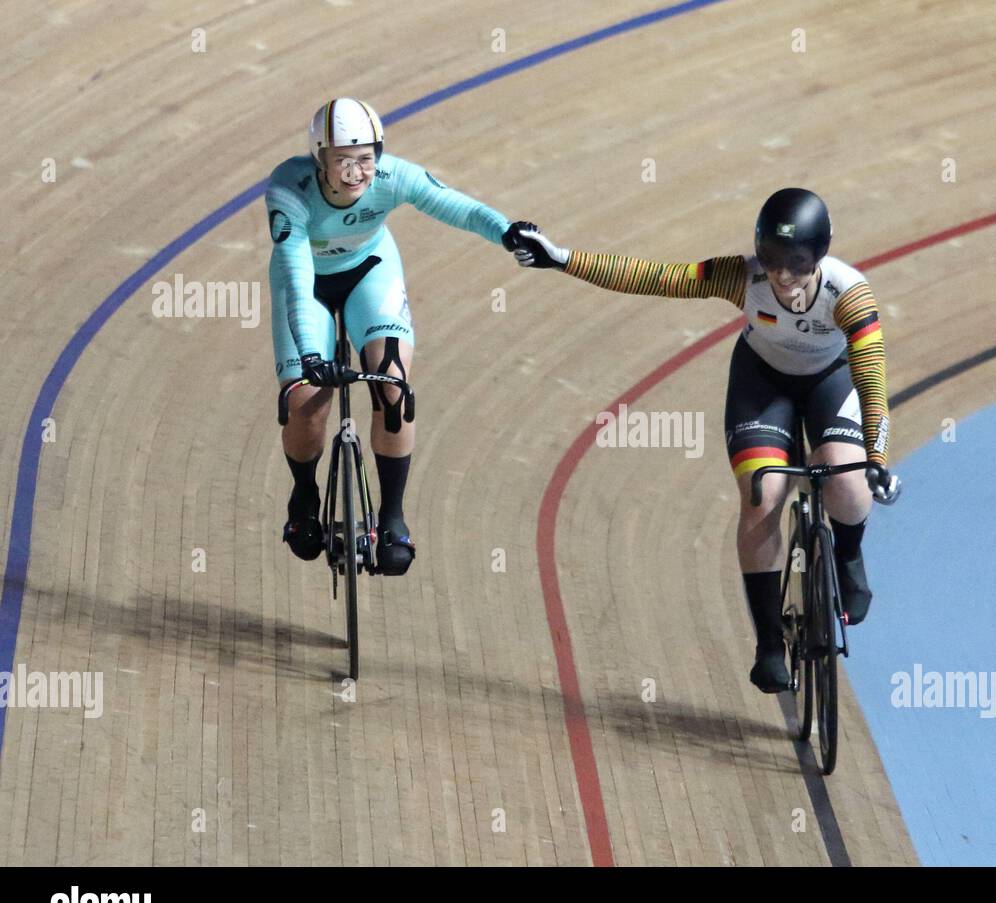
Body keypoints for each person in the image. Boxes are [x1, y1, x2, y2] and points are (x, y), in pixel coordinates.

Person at [512, 188, 897, 692]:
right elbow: (652, 276)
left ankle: (848, 557)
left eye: (796, 263)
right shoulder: (742, 275)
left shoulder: (849, 294)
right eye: (773, 260)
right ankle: (768, 644)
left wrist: (876, 457)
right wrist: (562, 259)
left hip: (832, 380)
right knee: (762, 495)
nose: (782, 275)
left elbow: (871, 378)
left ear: (820, 254)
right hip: (763, 385)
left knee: (847, 486)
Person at [266, 97, 538, 574]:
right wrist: (312, 354)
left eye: (366, 158)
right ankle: (304, 494)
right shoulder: (290, 187)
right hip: (305, 283)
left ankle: (391, 515)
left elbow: (455, 206)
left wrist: (506, 231)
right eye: (343, 160)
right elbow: (295, 269)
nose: (356, 171)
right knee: (307, 398)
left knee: (393, 387)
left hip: (370, 271)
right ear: (319, 159)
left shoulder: (394, 176)